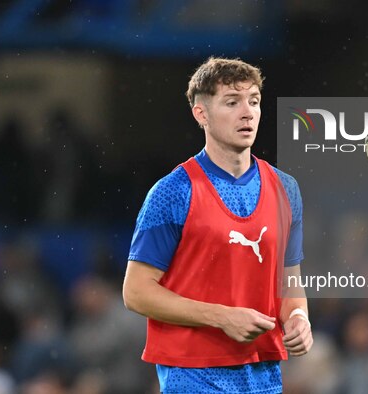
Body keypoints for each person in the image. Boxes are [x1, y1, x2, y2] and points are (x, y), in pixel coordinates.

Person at [123, 57, 312, 393]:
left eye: (254, 101)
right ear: (201, 113)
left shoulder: (287, 189)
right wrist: (222, 317)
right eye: (232, 102)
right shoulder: (172, 192)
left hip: (264, 372)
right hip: (194, 373)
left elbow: (289, 284)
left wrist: (299, 318)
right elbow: (136, 292)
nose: (247, 112)